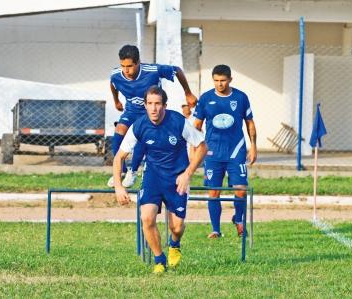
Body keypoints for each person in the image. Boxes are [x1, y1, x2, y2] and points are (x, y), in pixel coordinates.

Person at [114, 86, 206, 274]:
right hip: (153, 177)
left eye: (157, 104)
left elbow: (202, 147)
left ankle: (175, 243)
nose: (153, 108)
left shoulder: (178, 122)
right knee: (146, 218)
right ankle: (159, 260)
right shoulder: (139, 126)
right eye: (149, 104)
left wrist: (187, 174)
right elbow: (118, 157)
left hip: (177, 179)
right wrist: (118, 186)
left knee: (177, 227)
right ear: (145, 105)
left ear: (165, 105)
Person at [108, 45, 198, 188]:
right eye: (123, 66)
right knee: (118, 134)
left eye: (130, 66)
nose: (126, 70)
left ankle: (133, 171)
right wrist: (116, 100)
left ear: (138, 62)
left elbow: (177, 70)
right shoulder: (116, 74)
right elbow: (113, 84)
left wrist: (188, 93)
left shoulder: (153, 71)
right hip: (131, 110)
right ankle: (120, 172)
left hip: (150, 111)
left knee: (142, 138)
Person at [193, 64, 257, 239]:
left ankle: (238, 219)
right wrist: (195, 150)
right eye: (216, 81)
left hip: (236, 150)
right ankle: (215, 229)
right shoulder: (205, 99)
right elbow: (196, 126)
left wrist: (253, 146)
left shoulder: (241, 97)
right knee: (214, 192)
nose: (219, 84)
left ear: (230, 79)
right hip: (213, 152)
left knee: (241, 189)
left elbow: (250, 123)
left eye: (222, 80)